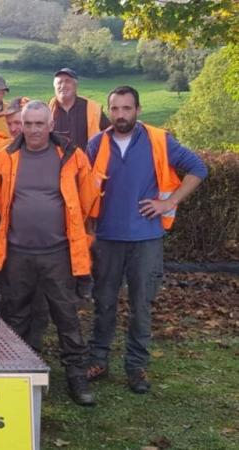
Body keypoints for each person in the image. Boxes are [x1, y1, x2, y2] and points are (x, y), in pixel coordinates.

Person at [86, 86, 207, 394]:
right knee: (103, 303)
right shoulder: (96, 144)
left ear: (138, 110)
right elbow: (82, 189)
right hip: (106, 239)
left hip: (146, 239)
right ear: (108, 111)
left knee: (141, 305)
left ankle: (136, 367)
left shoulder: (159, 140)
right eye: (115, 109)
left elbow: (198, 168)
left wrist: (169, 203)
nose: (120, 115)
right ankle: (98, 360)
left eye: (127, 108)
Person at [0, 101, 98, 406]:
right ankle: (14, 374)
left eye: (40, 124)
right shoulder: (5, 156)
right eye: (29, 124)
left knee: (66, 316)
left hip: (58, 253)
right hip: (17, 252)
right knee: (16, 313)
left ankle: (76, 376)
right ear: (20, 126)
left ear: (51, 126)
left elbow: (88, 199)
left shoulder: (73, 156)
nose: (34, 129)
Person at [49, 68, 111, 151]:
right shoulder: (47, 110)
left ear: (76, 86)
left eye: (68, 81)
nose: (63, 86)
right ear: (54, 86)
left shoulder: (93, 109)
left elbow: (110, 132)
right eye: (59, 82)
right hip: (57, 163)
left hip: (87, 162)